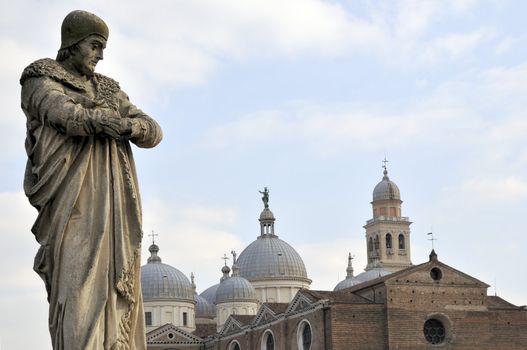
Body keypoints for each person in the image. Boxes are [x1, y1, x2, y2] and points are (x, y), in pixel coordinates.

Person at [20, 10, 162, 350]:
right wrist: (101, 121)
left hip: (113, 207)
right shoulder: (40, 80)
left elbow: (153, 130)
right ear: (72, 43)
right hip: (71, 203)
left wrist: (130, 126)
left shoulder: (111, 90)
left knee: (113, 286)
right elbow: (60, 112)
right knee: (76, 287)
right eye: (94, 46)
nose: (100, 55)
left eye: (103, 48)